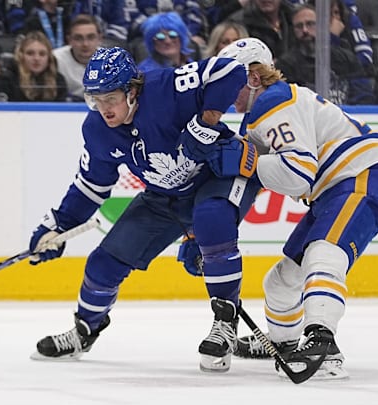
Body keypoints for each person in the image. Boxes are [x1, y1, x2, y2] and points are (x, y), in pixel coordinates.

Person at [28, 45, 261, 374]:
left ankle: (224, 324)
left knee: (211, 219)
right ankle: (85, 331)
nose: (103, 108)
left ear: (133, 90)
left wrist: (206, 124)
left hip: (218, 175)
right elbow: (90, 186)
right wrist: (57, 227)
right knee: (102, 264)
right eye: (96, 98)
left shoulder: (167, 88)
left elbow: (228, 71)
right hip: (164, 196)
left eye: (110, 98)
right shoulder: (97, 130)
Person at [216, 38, 378, 380]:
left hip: (361, 175)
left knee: (323, 253)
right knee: (282, 281)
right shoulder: (257, 118)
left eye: (229, 78)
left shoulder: (274, 102)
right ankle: (283, 343)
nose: (222, 89)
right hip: (332, 190)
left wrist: (249, 165)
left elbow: (298, 173)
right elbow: (250, 184)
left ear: (254, 78)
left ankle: (322, 340)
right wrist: (211, 236)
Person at [275, 3, 374, 105]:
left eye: (310, 24)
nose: (305, 30)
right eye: (299, 26)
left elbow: (364, 96)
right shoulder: (285, 66)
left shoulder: (347, 59)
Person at [0, 30, 67, 101]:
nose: (36, 58)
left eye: (42, 54)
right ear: (21, 56)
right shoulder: (5, 80)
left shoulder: (58, 80)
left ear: (49, 58)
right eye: (30, 53)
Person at [53, 13, 101, 101]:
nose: (85, 44)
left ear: (99, 38)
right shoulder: (55, 59)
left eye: (90, 37)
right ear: (69, 40)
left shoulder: (111, 61)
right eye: (78, 38)